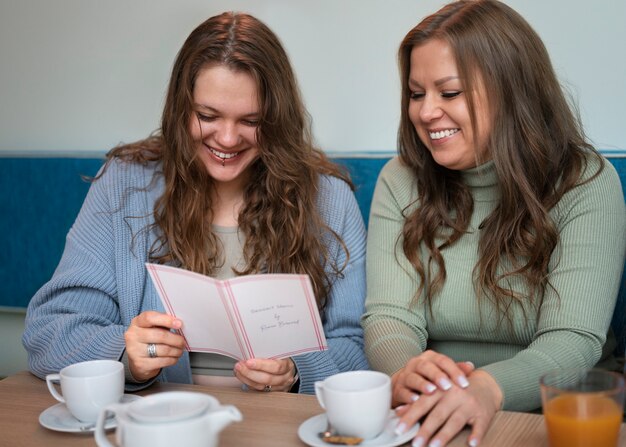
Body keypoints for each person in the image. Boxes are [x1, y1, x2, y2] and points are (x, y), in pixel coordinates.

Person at [23, 11, 368, 395]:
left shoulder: (329, 199)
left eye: (251, 120)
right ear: (180, 109)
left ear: (277, 118)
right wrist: (125, 354)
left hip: (277, 427)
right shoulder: (123, 186)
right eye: (208, 116)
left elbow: (358, 350)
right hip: (160, 424)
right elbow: (48, 331)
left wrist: (297, 372)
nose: (227, 138)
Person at [361, 0, 626, 446]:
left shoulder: (586, 182)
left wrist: (486, 388)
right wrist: (406, 368)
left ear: (511, 90)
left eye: (449, 93)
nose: (426, 113)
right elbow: (389, 316)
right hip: (434, 409)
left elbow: (573, 340)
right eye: (415, 93)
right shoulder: (400, 179)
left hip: (558, 415)